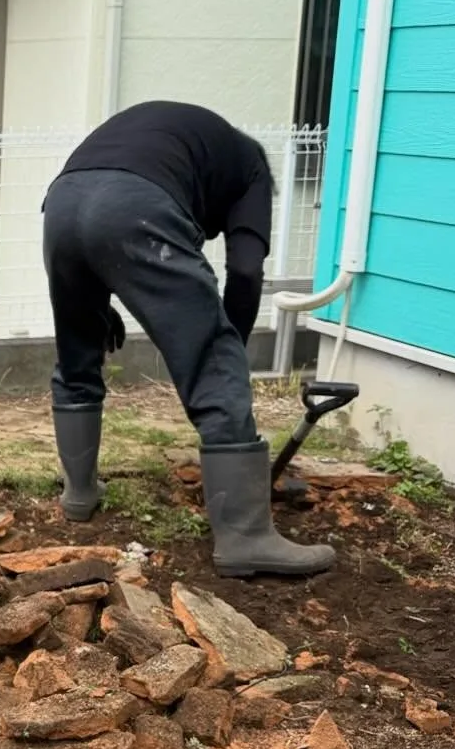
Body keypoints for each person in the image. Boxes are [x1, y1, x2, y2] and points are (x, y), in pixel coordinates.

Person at [41, 100, 333, 578]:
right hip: (135, 205)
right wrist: (226, 353)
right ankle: (246, 537)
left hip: (61, 204)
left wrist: (99, 303)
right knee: (216, 359)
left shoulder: (188, 142)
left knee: (77, 355)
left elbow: (97, 216)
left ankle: (79, 494)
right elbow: (244, 270)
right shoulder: (254, 170)